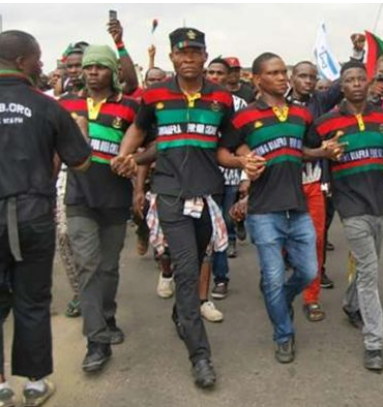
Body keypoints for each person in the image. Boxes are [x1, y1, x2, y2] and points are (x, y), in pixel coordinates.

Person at [113, 27, 233, 389]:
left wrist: (244, 163)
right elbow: (137, 130)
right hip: (169, 193)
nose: (189, 59)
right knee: (184, 269)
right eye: (182, 53)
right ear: (172, 58)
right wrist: (124, 156)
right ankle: (200, 355)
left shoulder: (221, 99)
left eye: (196, 52)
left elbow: (229, 144)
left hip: (207, 195)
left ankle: (181, 313)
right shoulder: (154, 95)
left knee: (196, 260)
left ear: (205, 55)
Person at [219, 52, 342, 365]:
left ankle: (281, 300)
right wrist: (242, 161)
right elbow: (223, 150)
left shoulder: (301, 115)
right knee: (273, 277)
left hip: (297, 206)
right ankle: (284, 335)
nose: (281, 77)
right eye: (273, 73)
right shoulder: (243, 117)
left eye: (282, 71)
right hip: (263, 211)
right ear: (257, 79)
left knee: (309, 271)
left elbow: (306, 150)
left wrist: (325, 151)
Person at [0, 30, 91, 407]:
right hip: (33, 213)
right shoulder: (48, 106)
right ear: (23, 60)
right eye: (38, 58)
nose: (42, 64)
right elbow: (82, 161)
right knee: (33, 299)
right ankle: (35, 383)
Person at [309, 60, 383, 371]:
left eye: (361, 78)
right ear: (341, 86)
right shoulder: (325, 123)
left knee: (367, 262)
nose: (357, 83)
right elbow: (305, 150)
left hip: (381, 201)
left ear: (369, 81)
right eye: (350, 79)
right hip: (349, 203)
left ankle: (349, 304)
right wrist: (321, 154)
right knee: (371, 271)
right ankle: (374, 343)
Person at [59, 44, 140, 373]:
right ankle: (96, 341)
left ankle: (107, 316)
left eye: (100, 67)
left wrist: (134, 167)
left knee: (108, 267)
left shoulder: (130, 108)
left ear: (113, 72)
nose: (92, 72)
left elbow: (147, 146)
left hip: (114, 199)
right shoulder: (65, 106)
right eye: (88, 67)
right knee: (88, 267)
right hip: (78, 200)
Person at [287, 60, 343, 320]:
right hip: (280, 183)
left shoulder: (320, 101)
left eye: (312, 77)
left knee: (316, 240)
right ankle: (278, 290)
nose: (308, 81)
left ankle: (311, 298)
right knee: (277, 241)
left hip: (313, 182)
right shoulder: (276, 102)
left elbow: (346, 82)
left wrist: (358, 52)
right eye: (302, 76)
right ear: (291, 78)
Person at [206, 56, 248, 299]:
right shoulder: (198, 102)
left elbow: (245, 143)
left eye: (220, 73)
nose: (215, 77)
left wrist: (245, 177)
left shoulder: (240, 104)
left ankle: (220, 277)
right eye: (211, 72)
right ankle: (210, 277)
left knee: (223, 223)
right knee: (209, 228)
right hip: (202, 175)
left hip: (231, 175)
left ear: (228, 76)